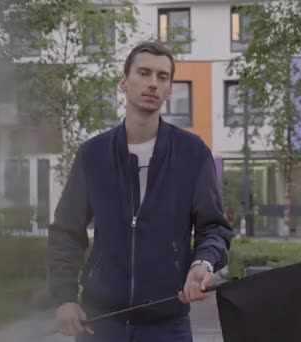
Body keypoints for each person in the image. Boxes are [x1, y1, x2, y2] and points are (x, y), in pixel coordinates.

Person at [47, 41, 233, 342]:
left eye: (162, 77)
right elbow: (66, 231)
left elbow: (214, 227)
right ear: (124, 82)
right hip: (101, 324)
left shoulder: (193, 153)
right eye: (144, 73)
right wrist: (65, 297)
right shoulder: (92, 155)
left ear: (170, 89)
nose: (152, 83)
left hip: (167, 325)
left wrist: (203, 262)